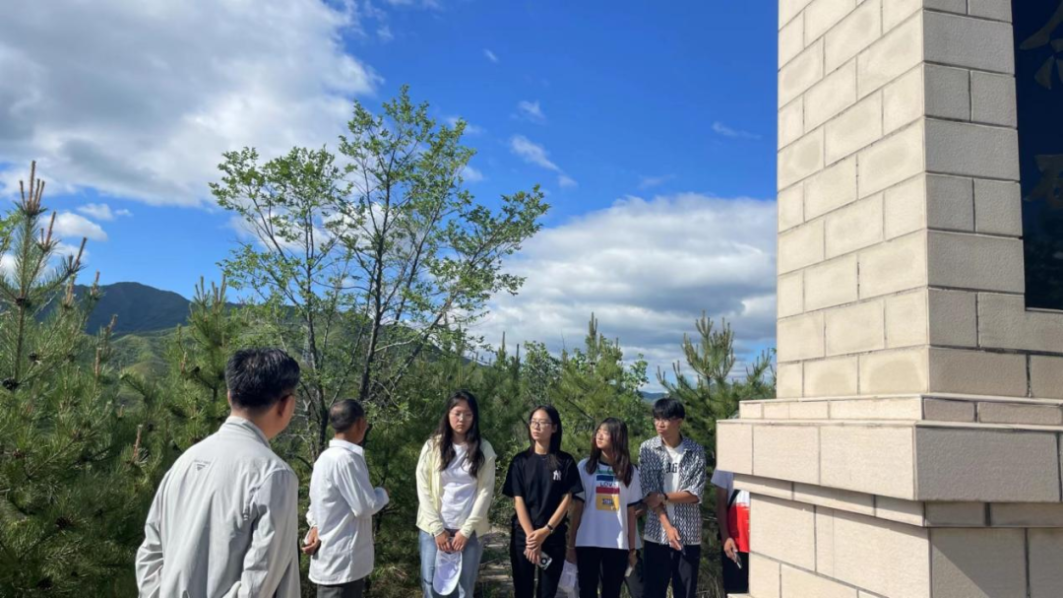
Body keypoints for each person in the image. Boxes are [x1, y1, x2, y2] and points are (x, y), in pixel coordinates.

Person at [135, 349, 302, 597]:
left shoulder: (185, 461)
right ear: (286, 405)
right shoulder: (274, 475)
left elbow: (150, 553)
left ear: (229, 396)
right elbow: (257, 586)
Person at [301, 400, 389, 597]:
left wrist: (315, 526)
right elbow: (365, 507)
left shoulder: (325, 458)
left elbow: (316, 505)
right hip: (343, 564)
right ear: (360, 423)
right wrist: (383, 494)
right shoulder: (346, 459)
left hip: (332, 560)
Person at [416, 390, 497, 597]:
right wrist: (437, 529)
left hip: (469, 533)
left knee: (464, 590)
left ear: (474, 417)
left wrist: (466, 531)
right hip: (433, 531)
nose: (462, 419)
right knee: (431, 588)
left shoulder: (484, 449)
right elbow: (423, 488)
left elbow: (485, 492)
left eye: (468, 414)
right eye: (457, 413)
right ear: (448, 414)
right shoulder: (433, 446)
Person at [503, 405, 582, 598]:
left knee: (547, 592)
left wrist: (545, 531)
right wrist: (532, 538)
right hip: (524, 538)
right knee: (523, 590)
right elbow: (518, 500)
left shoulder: (565, 461)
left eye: (543, 422)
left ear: (554, 427)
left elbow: (567, 500)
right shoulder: (520, 461)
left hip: (552, 538)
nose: (536, 426)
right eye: (533, 422)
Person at [639, 398, 707, 598]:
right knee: (653, 592)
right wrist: (668, 527)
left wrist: (663, 497)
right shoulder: (647, 449)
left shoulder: (695, 451)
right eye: (656, 418)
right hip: (656, 532)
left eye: (665, 419)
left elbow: (694, 493)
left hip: (688, 533)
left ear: (679, 422)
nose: (659, 424)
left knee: (685, 592)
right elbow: (648, 494)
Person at [567, 418, 642, 598]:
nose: (599, 435)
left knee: (611, 593)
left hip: (617, 545)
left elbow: (631, 513)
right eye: (598, 431)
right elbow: (577, 508)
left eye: (605, 432)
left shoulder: (631, 472)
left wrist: (632, 549)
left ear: (618, 437)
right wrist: (570, 545)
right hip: (587, 541)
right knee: (587, 592)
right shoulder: (585, 467)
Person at [712, 467, 750, 595]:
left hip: (761, 541)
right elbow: (720, 503)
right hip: (735, 541)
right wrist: (725, 536)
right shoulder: (725, 465)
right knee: (735, 590)